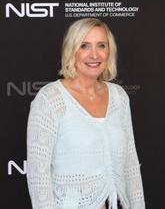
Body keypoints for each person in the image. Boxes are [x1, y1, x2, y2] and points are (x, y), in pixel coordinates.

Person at [26, 18, 145, 209]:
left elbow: (130, 164)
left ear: (109, 51)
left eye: (101, 45)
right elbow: (38, 174)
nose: (94, 54)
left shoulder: (119, 96)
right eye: (84, 46)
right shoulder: (51, 98)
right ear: (71, 50)